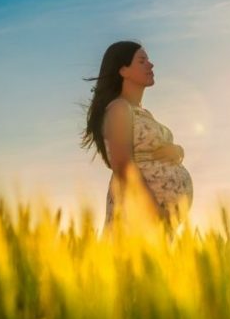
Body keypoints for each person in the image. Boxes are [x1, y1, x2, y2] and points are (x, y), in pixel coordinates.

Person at [81, 40, 194, 236]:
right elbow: (123, 165)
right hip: (138, 213)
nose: (150, 65)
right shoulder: (118, 108)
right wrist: (154, 212)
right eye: (142, 61)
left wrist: (177, 152)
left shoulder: (141, 113)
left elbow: (149, 151)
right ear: (123, 70)